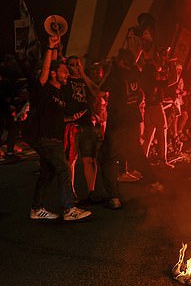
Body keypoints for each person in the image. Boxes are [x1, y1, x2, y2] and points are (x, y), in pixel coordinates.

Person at [30, 35, 92, 221]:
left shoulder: (60, 92)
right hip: (46, 139)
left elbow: (57, 116)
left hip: (54, 138)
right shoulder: (45, 89)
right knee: (64, 169)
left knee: (47, 174)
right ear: (54, 74)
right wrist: (50, 48)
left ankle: (36, 209)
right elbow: (47, 68)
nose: (67, 74)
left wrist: (71, 118)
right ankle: (68, 209)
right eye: (64, 72)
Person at [99, 49, 163, 209]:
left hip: (117, 122)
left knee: (108, 158)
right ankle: (154, 183)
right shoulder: (135, 71)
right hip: (133, 120)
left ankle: (114, 197)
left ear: (120, 61)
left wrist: (112, 68)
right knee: (135, 153)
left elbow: (101, 89)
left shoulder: (115, 74)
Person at [62, 55, 102, 203]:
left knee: (90, 159)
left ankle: (91, 191)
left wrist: (83, 74)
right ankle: (71, 193)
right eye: (71, 65)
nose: (75, 67)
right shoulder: (65, 81)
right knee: (71, 160)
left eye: (77, 64)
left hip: (86, 122)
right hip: (71, 124)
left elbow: (96, 91)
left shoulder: (85, 81)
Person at [141, 50, 172, 168]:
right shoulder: (154, 81)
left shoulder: (145, 80)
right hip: (156, 108)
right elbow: (171, 80)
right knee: (162, 132)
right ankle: (162, 160)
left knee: (149, 135)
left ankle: (143, 160)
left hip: (148, 108)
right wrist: (171, 66)